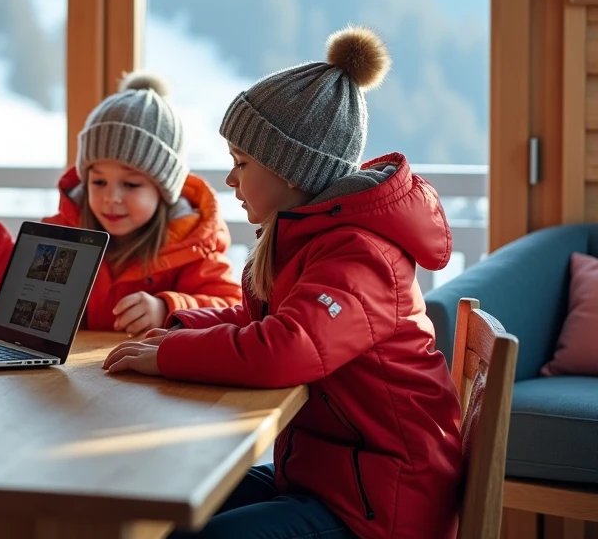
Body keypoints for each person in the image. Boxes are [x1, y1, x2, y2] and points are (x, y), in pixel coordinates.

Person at [103, 27, 464, 539]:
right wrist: (179, 324)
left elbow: (285, 349)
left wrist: (172, 355)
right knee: (170, 507)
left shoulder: (359, 256)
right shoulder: (315, 240)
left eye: (241, 164)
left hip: (384, 503)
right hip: (331, 476)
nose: (230, 180)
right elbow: (265, 321)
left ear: (291, 170)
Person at [0, 73, 240, 336]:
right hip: (74, 386)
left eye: (131, 184)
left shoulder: (195, 248)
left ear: (165, 190)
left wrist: (168, 310)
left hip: (152, 394)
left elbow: (231, 309)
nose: (111, 197)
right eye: (98, 182)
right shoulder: (64, 232)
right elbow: (7, 291)